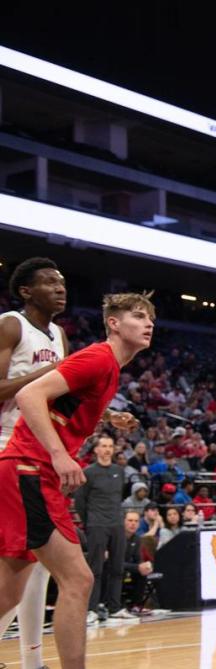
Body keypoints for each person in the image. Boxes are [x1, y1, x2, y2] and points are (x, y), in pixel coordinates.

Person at [0, 292, 154, 669]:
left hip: (25, 470)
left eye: (151, 317)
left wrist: (105, 419)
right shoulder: (99, 357)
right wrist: (58, 453)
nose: (149, 323)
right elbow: (29, 393)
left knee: (9, 591)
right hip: (29, 468)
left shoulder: (111, 369)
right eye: (138, 316)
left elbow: (61, 407)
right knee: (79, 579)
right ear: (114, 324)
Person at [0, 257, 70, 669]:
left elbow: (58, 394)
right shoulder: (11, 324)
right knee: (23, 561)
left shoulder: (59, 333)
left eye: (62, 282)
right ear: (27, 291)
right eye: (49, 282)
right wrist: (48, 373)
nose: (60, 288)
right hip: (6, 446)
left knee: (39, 561)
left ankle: (32, 661)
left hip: (38, 450)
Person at [75, 434, 137, 622]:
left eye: (110, 446)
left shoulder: (119, 471)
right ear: (96, 449)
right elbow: (80, 502)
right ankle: (92, 609)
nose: (107, 449)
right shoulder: (88, 472)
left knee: (117, 567)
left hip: (117, 524)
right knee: (95, 568)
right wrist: (90, 522)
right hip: (96, 524)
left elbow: (119, 497)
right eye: (103, 446)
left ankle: (115, 607)